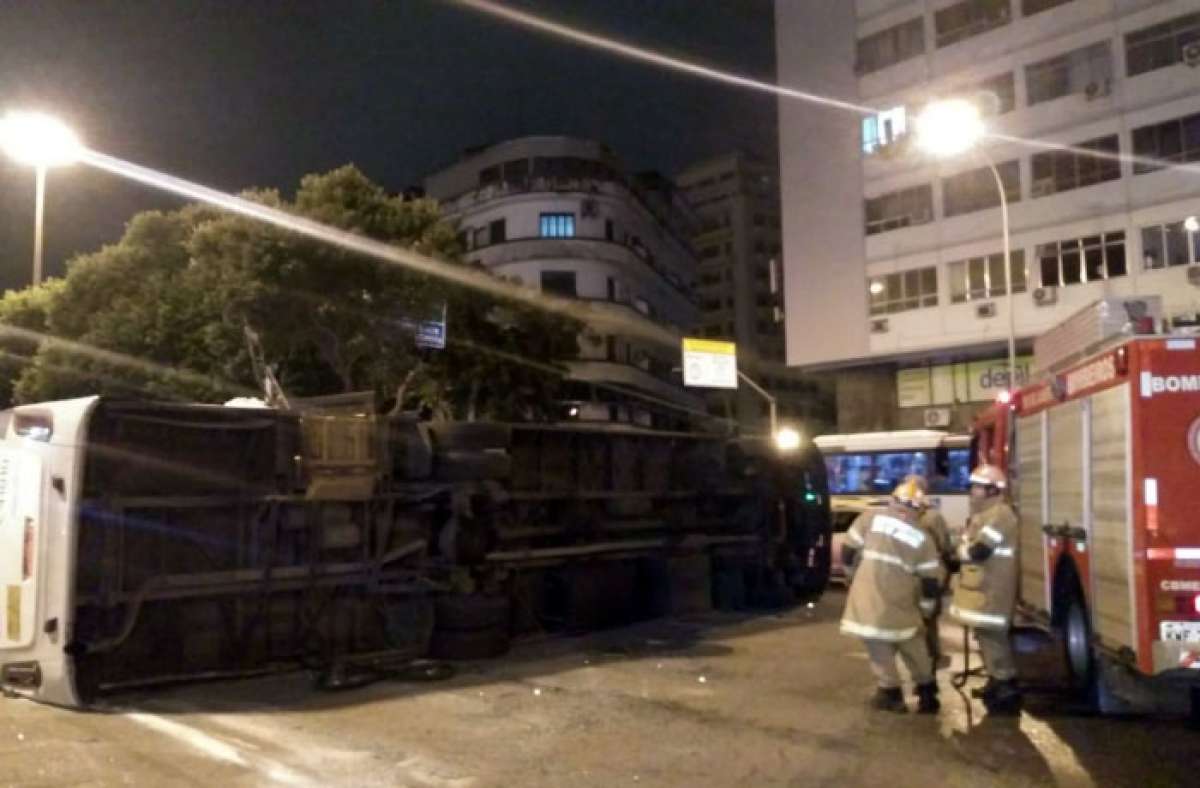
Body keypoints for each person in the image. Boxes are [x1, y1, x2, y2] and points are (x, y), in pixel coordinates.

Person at [840, 477, 944, 714]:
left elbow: (848, 550)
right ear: (918, 508)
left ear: (893, 500)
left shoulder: (870, 518)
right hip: (905, 602)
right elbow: (930, 581)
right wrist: (927, 610)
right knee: (913, 644)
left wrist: (850, 574)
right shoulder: (923, 538)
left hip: (871, 601)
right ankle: (927, 691)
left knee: (879, 646)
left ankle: (890, 693)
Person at [948, 464, 1022, 715]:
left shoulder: (1001, 516)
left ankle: (1005, 687)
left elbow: (979, 551)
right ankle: (996, 681)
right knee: (987, 638)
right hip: (983, 588)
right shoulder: (986, 515)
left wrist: (960, 551)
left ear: (992, 490)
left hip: (995, 588)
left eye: (977, 487)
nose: (972, 492)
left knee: (993, 638)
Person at [908, 476, 952, 668]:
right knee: (929, 616)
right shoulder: (933, 517)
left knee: (915, 616)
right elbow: (945, 545)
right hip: (932, 572)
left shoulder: (901, 515)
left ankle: (921, 658)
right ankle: (931, 657)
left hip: (910, 573)